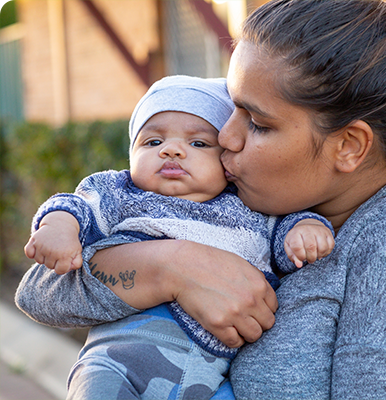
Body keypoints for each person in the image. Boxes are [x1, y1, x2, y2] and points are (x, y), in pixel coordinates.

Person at [16, 0, 386, 398]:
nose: (225, 136)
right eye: (232, 107)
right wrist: (171, 266)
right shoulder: (259, 200)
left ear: (349, 146)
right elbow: (40, 292)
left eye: (257, 122)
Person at [20, 75, 335, 399]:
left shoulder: (248, 207)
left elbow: (283, 233)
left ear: (226, 160)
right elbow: (78, 206)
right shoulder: (122, 194)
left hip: (210, 377)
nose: (172, 150)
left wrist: (305, 230)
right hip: (118, 359)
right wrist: (59, 226)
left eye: (198, 143)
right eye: (153, 142)